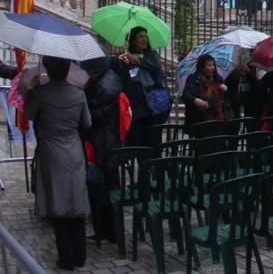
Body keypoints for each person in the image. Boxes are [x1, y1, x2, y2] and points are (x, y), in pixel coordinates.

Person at [25, 56, 92, 270]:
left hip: (51, 150)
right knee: (76, 198)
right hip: (73, 149)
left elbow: (28, 115)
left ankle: (67, 258)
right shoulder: (78, 93)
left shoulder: (40, 93)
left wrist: (32, 90)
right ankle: (80, 255)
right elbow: (86, 123)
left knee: (57, 201)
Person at [79, 56, 124, 245]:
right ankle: (110, 230)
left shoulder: (103, 86)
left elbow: (94, 117)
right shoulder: (109, 78)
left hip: (103, 143)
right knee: (107, 186)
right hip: (107, 143)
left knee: (100, 187)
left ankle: (106, 231)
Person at [114, 27, 170, 149]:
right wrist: (122, 62)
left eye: (145, 36)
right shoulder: (126, 57)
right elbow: (123, 79)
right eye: (140, 36)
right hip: (136, 107)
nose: (144, 39)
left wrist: (138, 60)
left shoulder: (152, 55)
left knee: (154, 144)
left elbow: (156, 70)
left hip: (152, 106)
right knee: (138, 145)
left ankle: (155, 167)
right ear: (133, 40)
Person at [182, 55, 227, 133]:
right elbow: (185, 95)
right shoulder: (193, 78)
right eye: (209, 65)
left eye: (213, 65)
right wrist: (195, 100)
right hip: (201, 121)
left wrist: (224, 88)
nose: (212, 67)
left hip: (218, 120)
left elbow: (223, 97)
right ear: (202, 67)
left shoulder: (217, 78)